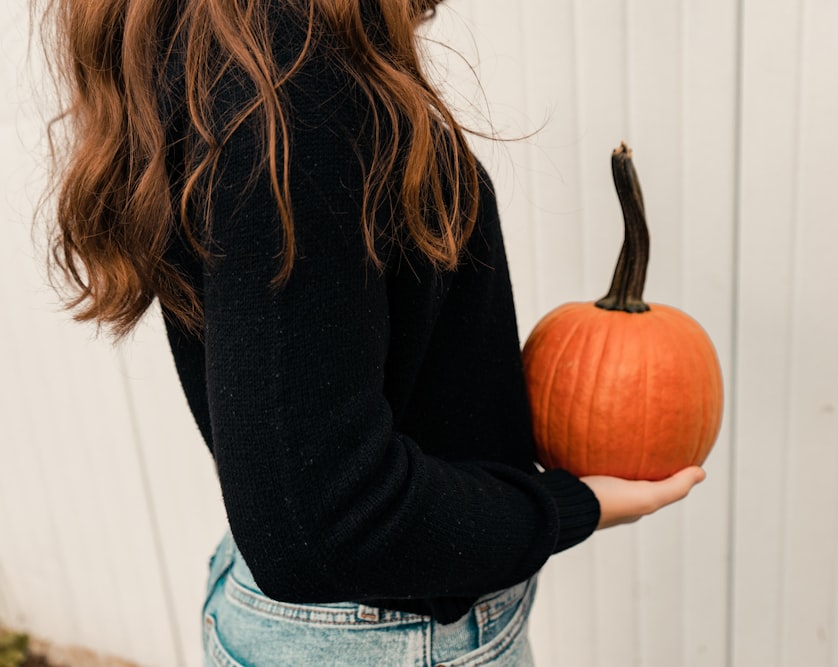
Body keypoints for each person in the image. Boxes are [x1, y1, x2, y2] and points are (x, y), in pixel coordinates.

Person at [43, 0, 706, 664]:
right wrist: (575, 506)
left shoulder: (242, 43)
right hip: (382, 636)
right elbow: (319, 521)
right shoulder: (293, 68)